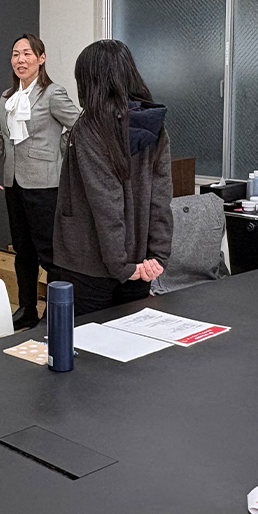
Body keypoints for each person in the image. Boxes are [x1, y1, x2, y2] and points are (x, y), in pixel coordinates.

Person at [53, 39, 173, 316]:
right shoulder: (153, 124)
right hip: (140, 263)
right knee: (131, 337)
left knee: (87, 338)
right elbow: (161, 198)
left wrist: (120, 265)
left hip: (90, 263)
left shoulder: (90, 128)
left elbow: (106, 203)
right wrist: (158, 256)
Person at [0, 34, 81, 329]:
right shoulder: (7, 97)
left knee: (49, 252)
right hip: (14, 183)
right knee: (23, 251)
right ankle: (27, 309)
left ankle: (55, 312)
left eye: (27, 54)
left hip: (45, 184)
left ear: (41, 58)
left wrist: (59, 151)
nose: (20, 60)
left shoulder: (52, 94)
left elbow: (79, 126)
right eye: (15, 54)